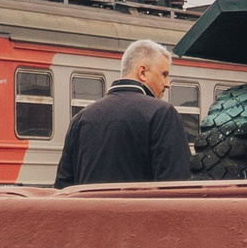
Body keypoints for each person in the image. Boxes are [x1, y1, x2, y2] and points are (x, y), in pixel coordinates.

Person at [55, 37, 193, 186]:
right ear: (143, 72)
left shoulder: (80, 119)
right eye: (164, 74)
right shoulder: (162, 114)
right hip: (139, 209)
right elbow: (177, 186)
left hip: (90, 209)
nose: (167, 84)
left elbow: (63, 187)